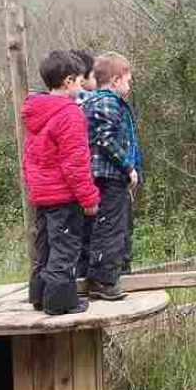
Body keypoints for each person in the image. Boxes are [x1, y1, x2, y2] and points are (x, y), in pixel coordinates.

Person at [24, 50, 100, 314]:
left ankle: (39, 295)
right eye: (79, 81)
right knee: (65, 248)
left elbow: (31, 158)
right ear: (68, 81)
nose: (80, 87)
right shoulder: (69, 114)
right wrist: (89, 199)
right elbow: (75, 163)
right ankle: (59, 302)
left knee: (44, 246)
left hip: (42, 195)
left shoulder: (36, 112)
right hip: (64, 197)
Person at [82, 51, 142, 300]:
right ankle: (103, 280)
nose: (129, 85)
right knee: (110, 227)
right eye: (127, 80)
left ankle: (114, 274)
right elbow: (105, 140)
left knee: (115, 225)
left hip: (109, 175)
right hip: (109, 175)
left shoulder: (101, 101)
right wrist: (127, 167)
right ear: (116, 80)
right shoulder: (107, 101)